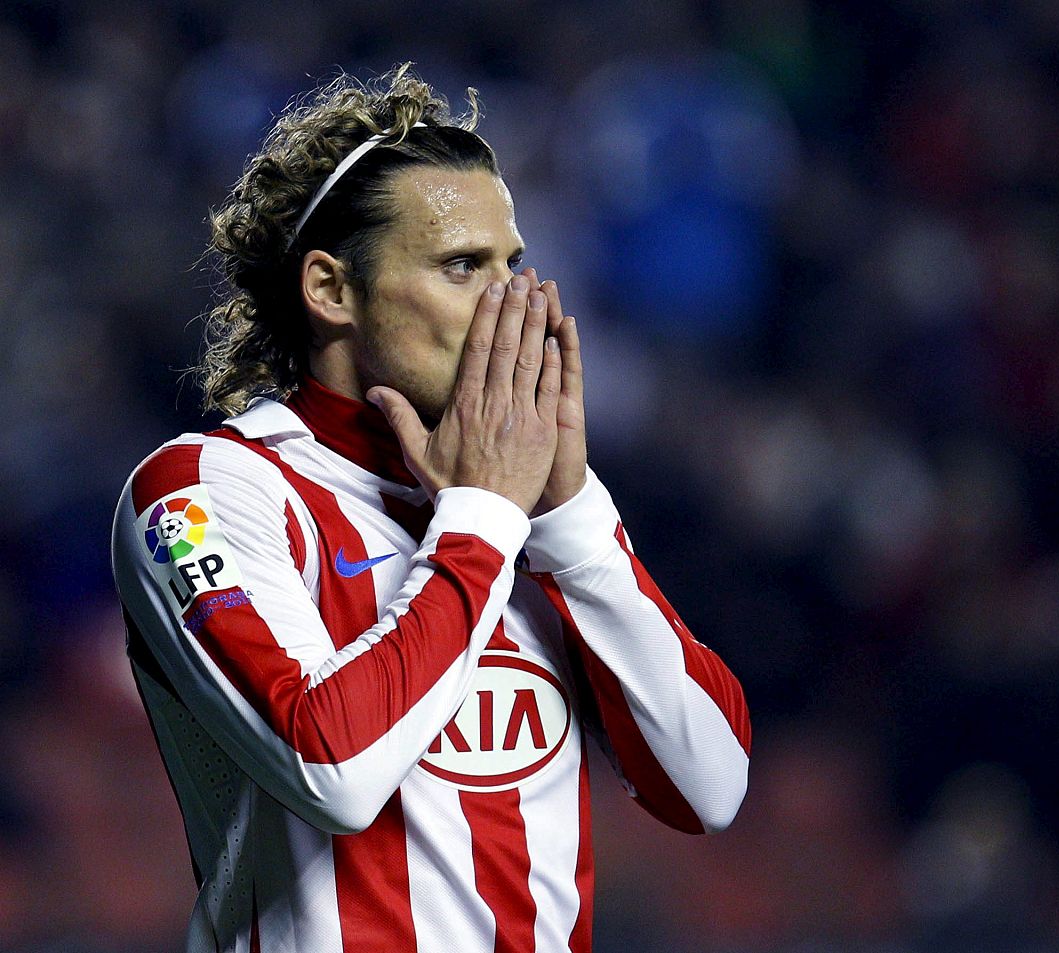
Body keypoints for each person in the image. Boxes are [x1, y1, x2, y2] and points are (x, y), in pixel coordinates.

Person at [110, 66, 751, 953]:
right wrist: (484, 518)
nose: (509, 304)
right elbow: (330, 767)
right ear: (331, 289)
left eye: (513, 266)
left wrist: (568, 514)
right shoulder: (205, 490)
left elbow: (709, 784)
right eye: (461, 267)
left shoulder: (532, 510)